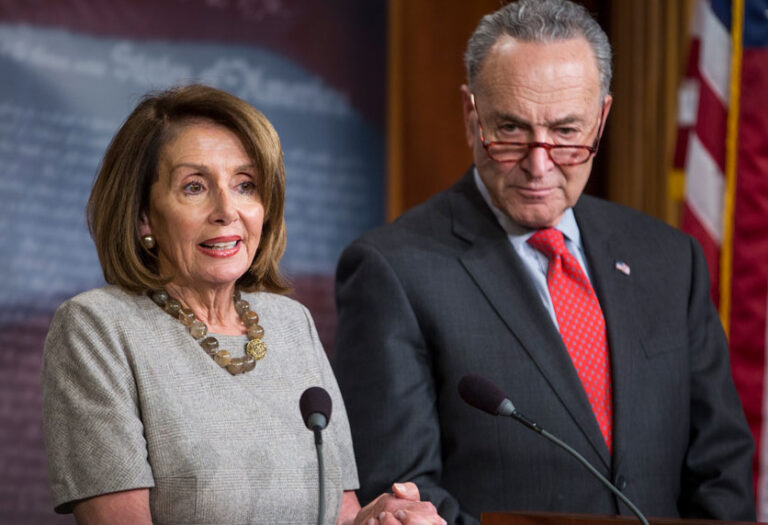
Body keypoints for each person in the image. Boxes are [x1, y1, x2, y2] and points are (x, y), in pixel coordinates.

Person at [332, 1, 756, 523]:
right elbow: (405, 492)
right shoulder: (392, 270)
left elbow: (721, 466)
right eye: (510, 130)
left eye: (565, 132)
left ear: (601, 116)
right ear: (471, 116)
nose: (539, 165)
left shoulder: (669, 257)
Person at [42, 84, 445, 525]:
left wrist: (382, 517)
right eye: (194, 187)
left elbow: (339, 514)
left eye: (245, 185)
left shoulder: (291, 323)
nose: (226, 210)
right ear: (143, 216)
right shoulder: (97, 329)